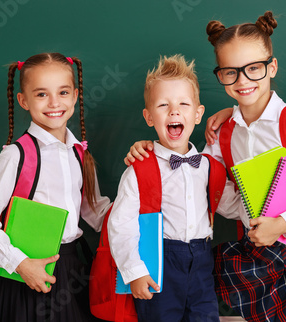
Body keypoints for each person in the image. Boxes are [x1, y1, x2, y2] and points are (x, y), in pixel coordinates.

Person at [125, 12, 286, 322]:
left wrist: (281, 224)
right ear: (220, 75)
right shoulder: (223, 133)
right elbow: (213, 191)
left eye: (254, 69)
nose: (243, 81)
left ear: (272, 67)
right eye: (230, 72)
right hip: (255, 250)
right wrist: (151, 150)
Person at [0, 52, 111, 321]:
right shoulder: (15, 156)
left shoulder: (78, 153)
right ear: (23, 100)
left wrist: (134, 215)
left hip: (72, 267)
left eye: (62, 92)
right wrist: (21, 265)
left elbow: (91, 210)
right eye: (41, 94)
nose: (54, 103)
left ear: (75, 95)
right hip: (28, 271)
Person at [108, 54, 241, 322]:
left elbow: (230, 205)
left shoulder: (209, 167)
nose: (174, 111)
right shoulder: (139, 168)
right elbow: (121, 225)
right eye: (163, 105)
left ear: (198, 113)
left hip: (202, 261)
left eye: (183, 103)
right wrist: (134, 271)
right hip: (159, 264)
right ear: (148, 117)